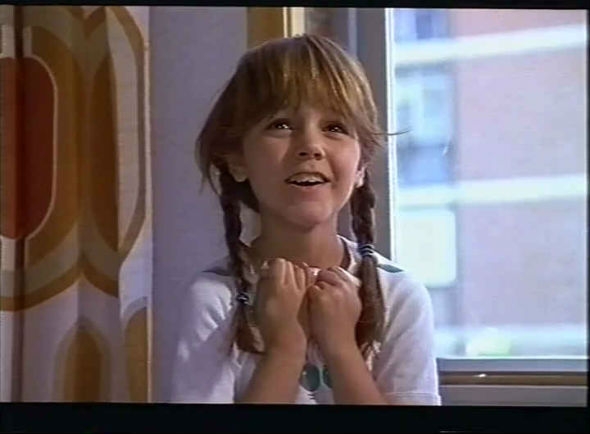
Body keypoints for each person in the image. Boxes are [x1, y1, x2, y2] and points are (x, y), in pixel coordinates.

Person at [170, 34, 440, 405]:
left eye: (335, 127)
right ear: (237, 160)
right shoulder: (215, 297)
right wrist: (285, 348)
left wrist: (341, 348)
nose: (310, 146)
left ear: (361, 166)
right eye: (281, 125)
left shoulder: (399, 295)